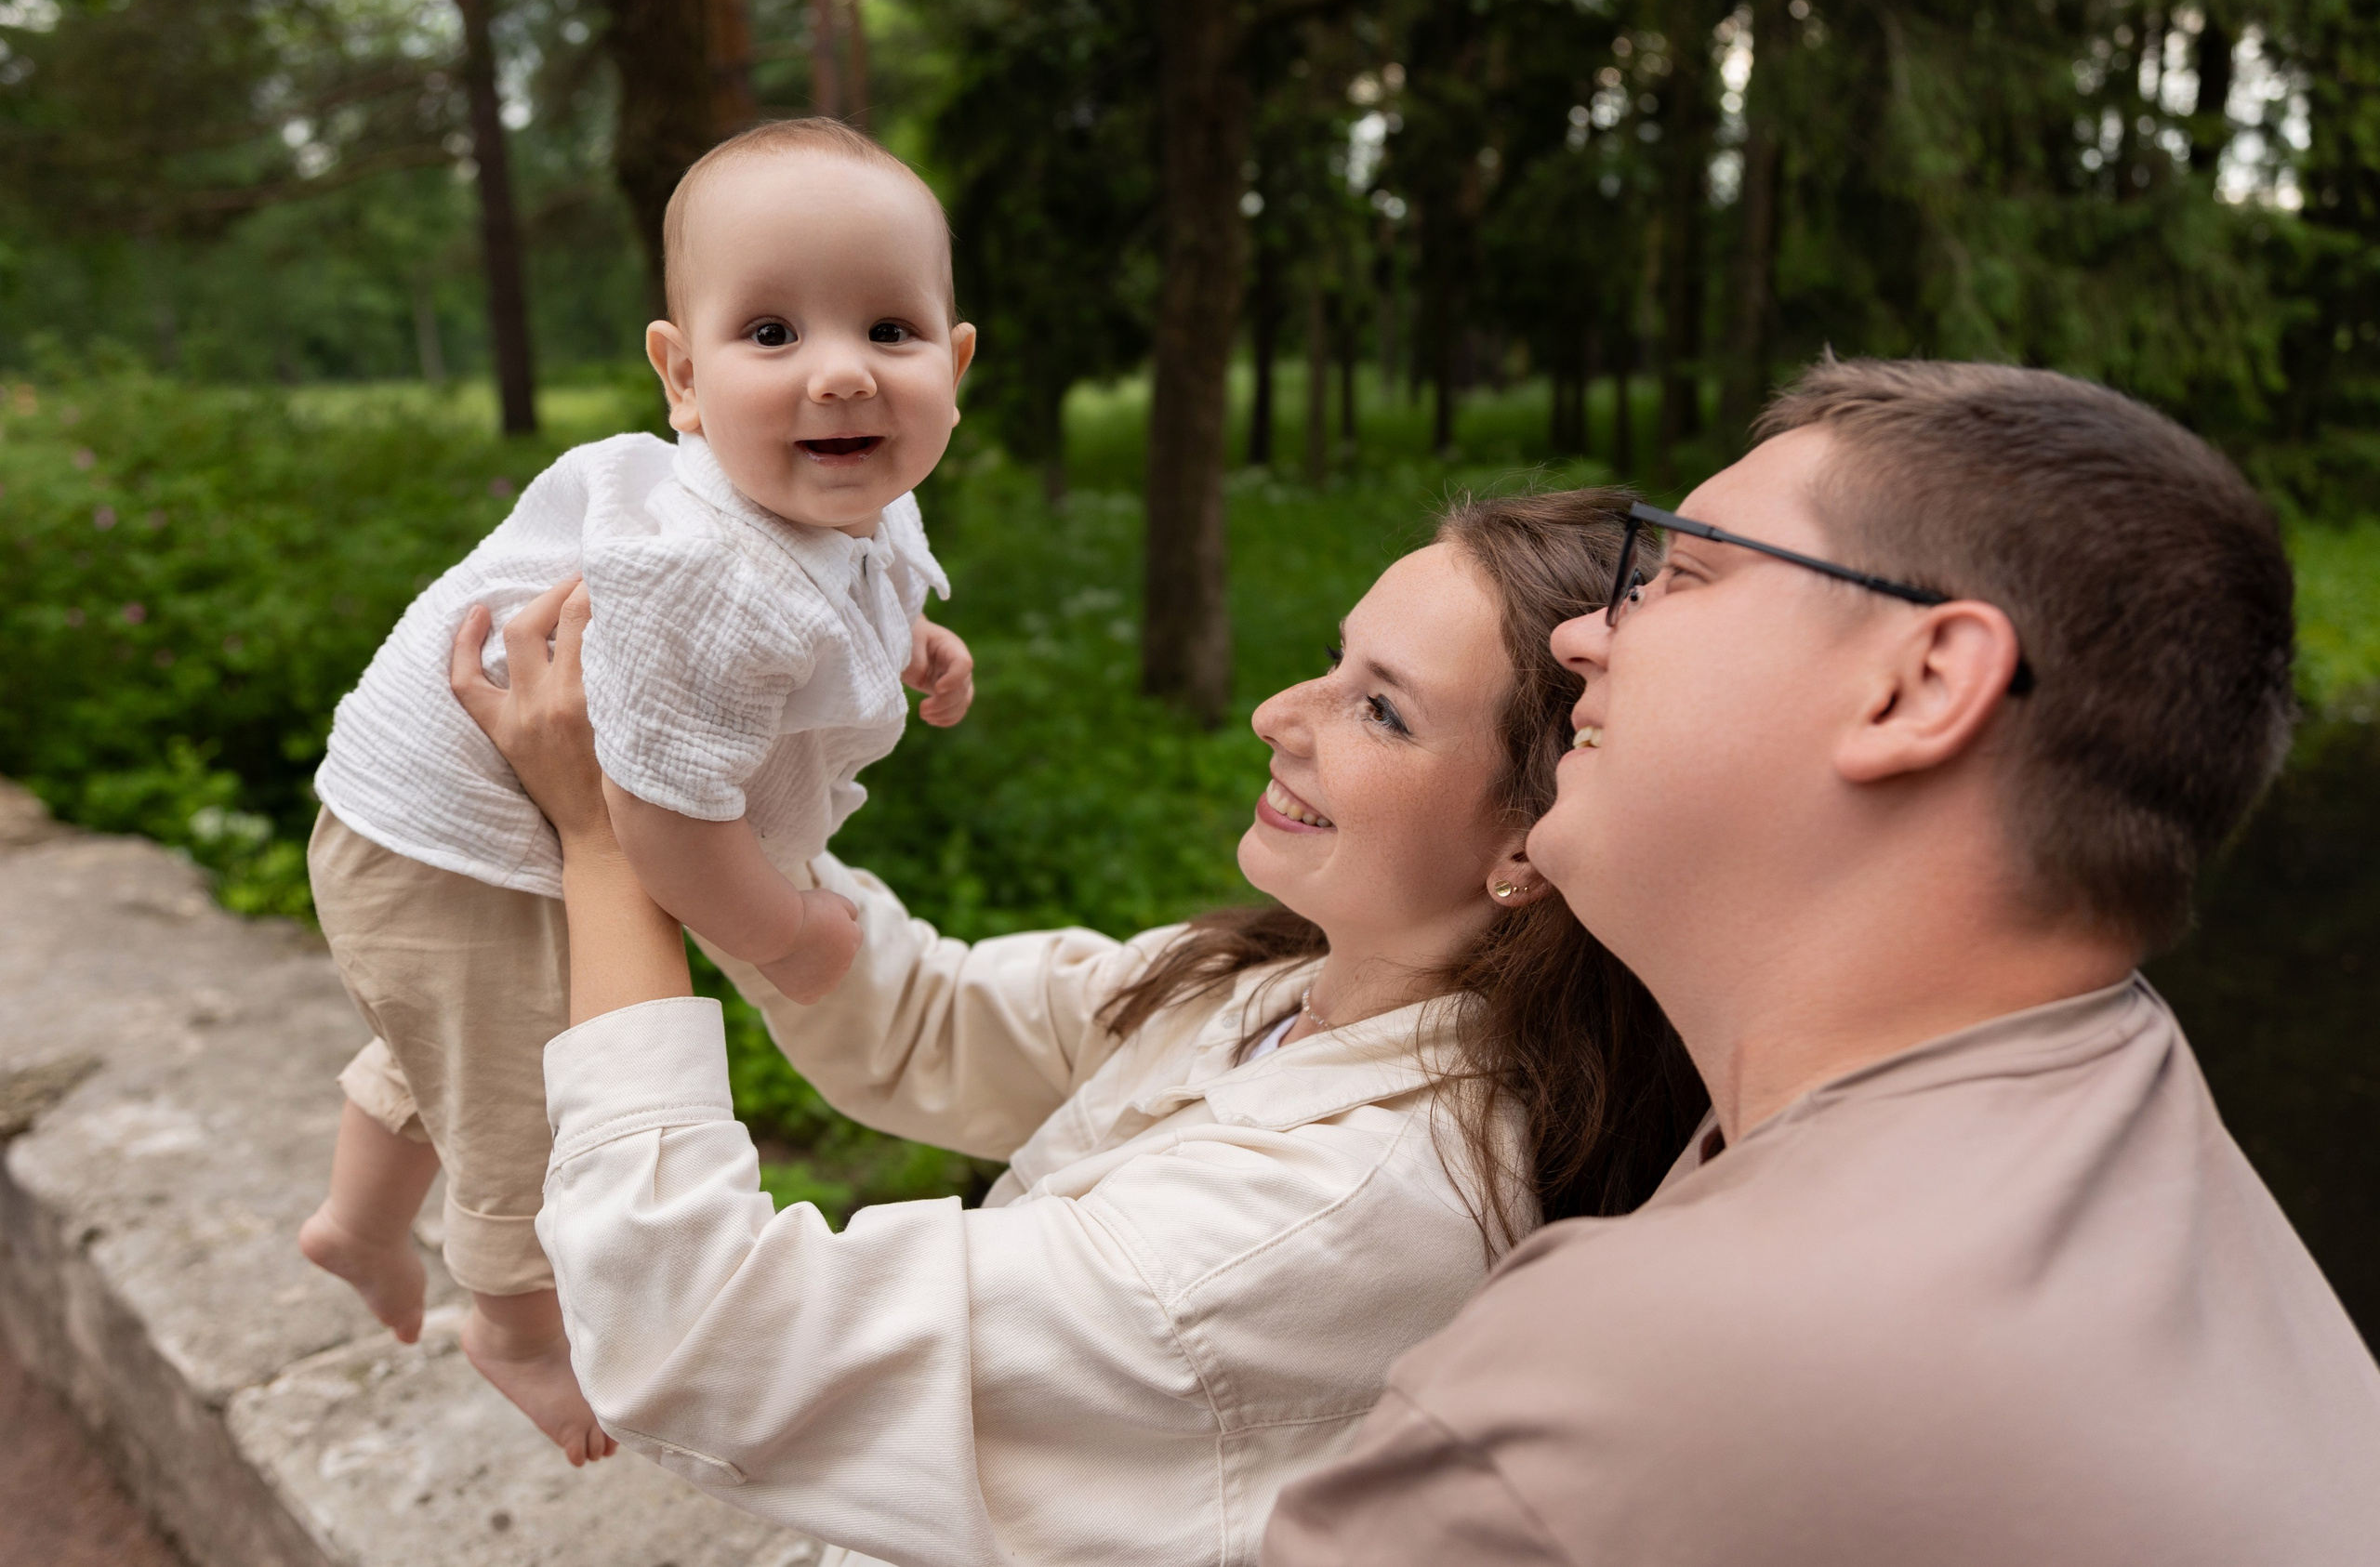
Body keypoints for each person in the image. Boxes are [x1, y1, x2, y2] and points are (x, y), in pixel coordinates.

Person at [449, 490, 1707, 1566]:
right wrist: (725, 746)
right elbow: (927, 1020)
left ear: (1532, 843)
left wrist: (611, 850)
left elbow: (697, 1333)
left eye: (1381, 710)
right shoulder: (1272, 986)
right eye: (1335, 660)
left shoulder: (1333, 1217)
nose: (1280, 712)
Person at [1262, 359, 2380, 1566]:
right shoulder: (2124, 1084)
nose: (1584, 634)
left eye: (1681, 572)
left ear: (1922, 685)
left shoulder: (1640, 1372)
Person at [298, 117, 979, 1465]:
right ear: (681, 379)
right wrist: (786, 934)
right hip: (447, 840)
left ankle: (355, 1226)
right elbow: (659, 829)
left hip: (456, 835)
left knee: (459, 1026)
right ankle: (512, 1326)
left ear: (953, 365)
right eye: (772, 333)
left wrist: (916, 641)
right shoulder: (703, 573)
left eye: (890, 330)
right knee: (520, 1087)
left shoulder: (844, 501)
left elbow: (857, 585)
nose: (841, 374)